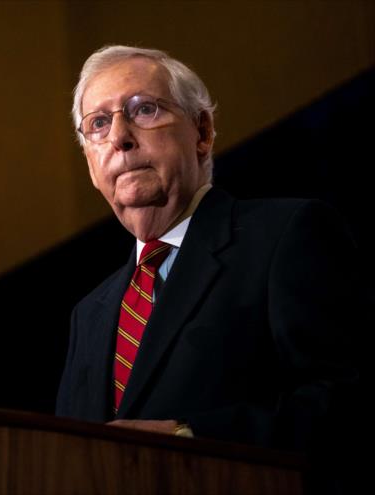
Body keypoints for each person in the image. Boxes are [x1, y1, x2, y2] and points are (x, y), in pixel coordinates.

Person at [55, 45, 362, 490]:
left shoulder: (286, 235)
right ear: (90, 163)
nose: (118, 136)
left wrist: (188, 436)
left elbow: (343, 403)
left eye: (143, 110)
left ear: (202, 132)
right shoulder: (90, 312)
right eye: (98, 123)